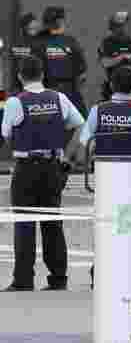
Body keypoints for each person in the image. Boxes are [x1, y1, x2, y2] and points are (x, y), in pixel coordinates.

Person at [1, 56, 85, 291]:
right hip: (52, 167)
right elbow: (80, 125)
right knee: (52, 223)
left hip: (26, 167)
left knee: (24, 224)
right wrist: (67, 158)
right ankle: (58, 278)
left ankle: (23, 280)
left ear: (20, 76)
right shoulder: (59, 98)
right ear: (42, 75)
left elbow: (5, 134)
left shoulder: (15, 102)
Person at [80, 65, 131, 288]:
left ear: (111, 85)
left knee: (105, 227)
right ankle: (129, 274)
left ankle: (101, 273)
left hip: (106, 177)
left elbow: (85, 142)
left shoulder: (97, 111)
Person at [32, 6, 87, 119]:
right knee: (80, 123)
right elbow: (82, 74)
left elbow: (33, 73)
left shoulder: (37, 43)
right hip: (69, 93)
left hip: (46, 94)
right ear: (61, 21)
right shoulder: (71, 42)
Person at [98, 11, 131, 102]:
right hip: (113, 89)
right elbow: (105, 63)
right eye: (120, 25)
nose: (124, 28)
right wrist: (122, 57)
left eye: (125, 25)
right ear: (113, 27)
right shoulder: (107, 43)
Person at [8, 13, 42, 95]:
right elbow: (14, 67)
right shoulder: (19, 44)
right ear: (25, 27)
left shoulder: (39, 43)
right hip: (23, 85)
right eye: (31, 26)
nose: (35, 27)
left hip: (33, 84)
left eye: (35, 26)